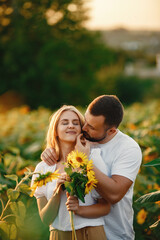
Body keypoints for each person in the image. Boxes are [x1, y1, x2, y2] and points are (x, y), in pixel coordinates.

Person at [41, 95, 142, 240]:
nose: (83, 128)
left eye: (92, 127)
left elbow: (115, 195)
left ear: (111, 131)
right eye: (85, 121)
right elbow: (62, 144)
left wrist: (85, 161)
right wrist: (49, 150)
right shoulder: (83, 138)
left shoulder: (128, 148)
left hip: (115, 233)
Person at [31, 105, 110, 240]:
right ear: (55, 130)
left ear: (81, 129)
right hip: (58, 234)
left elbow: (105, 207)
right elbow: (45, 219)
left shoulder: (93, 159)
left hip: (91, 232)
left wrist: (79, 209)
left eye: (76, 123)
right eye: (65, 123)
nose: (71, 126)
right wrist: (57, 191)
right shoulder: (42, 169)